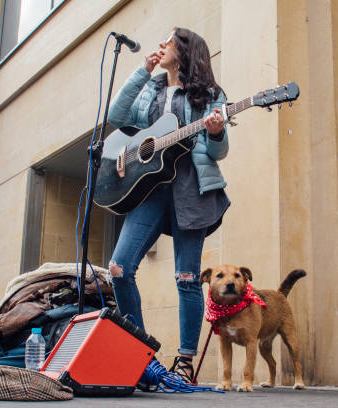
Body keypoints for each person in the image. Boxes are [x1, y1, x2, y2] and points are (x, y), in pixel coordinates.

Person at [106, 27, 231, 383]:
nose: (162, 45)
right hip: (149, 189)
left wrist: (217, 131)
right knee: (118, 267)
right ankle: (141, 353)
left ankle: (185, 361)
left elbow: (219, 150)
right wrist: (141, 70)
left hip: (192, 189)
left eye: (170, 41)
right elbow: (117, 115)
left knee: (187, 277)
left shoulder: (211, 96)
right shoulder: (151, 87)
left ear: (186, 51)